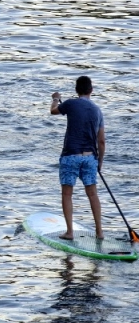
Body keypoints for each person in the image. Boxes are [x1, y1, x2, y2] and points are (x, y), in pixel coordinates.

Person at [50, 75, 105, 240]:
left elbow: (53, 111)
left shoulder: (70, 103)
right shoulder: (97, 110)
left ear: (76, 90)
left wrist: (56, 99)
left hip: (70, 156)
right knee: (92, 194)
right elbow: (101, 141)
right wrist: (99, 162)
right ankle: (100, 232)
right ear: (91, 91)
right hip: (90, 158)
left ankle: (69, 232)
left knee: (67, 193)